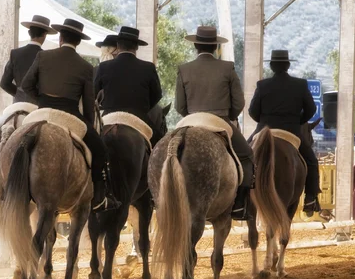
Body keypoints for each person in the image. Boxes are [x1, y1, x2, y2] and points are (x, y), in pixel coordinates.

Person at [21, 18, 121, 213]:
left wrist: (42, 100)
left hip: (42, 111)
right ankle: (99, 199)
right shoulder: (85, 66)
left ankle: (8, 188)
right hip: (70, 114)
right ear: (78, 42)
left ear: (60, 38)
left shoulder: (43, 57)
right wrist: (90, 127)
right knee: (100, 151)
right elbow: (89, 101)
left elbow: (26, 85)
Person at [175, 26, 254, 220]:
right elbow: (239, 102)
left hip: (190, 120)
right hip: (221, 121)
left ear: (195, 45)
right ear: (216, 47)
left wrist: (192, 116)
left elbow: (179, 105)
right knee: (246, 155)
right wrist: (231, 116)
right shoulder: (227, 68)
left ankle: (157, 199)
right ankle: (239, 205)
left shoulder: (184, 69)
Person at [248, 50, 320, 214]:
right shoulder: (300, 84)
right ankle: (310, 198)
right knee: (311, 160)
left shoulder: (262, 85)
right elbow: (311, 109)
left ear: (272, 66)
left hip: (264, 130)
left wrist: (264, 122)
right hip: (291, 130)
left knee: (243, 156)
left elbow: (252, 111)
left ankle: (240, 199)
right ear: (287, 65)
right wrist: (297, 121)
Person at [94, 26, 162, 134]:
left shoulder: (103, 66)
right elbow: (157, 95)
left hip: (109, 115)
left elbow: (94, 94)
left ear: (118, 45)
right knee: (158, 142)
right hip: (138, 116)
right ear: (136, 47)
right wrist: (141, 108)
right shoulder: (148, 67)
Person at [0, 15, 57, 104]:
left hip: (19, 103)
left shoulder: (15, 54)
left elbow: (4, 83)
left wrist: (19, 94)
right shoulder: (47, 57)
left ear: (29, 32)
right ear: (44, 35)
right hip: (38, 105)